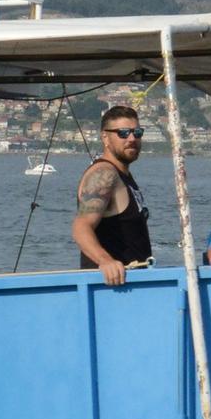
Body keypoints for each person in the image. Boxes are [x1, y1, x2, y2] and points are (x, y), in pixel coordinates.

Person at [73, 105, 152, 287]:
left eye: (137, 132)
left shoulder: (123, 175)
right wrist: (105, 261)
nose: (132, 139)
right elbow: (81, 226)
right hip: (110, 287)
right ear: (105, 137)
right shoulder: (104, 174)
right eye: (123, 133)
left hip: (133, 284)